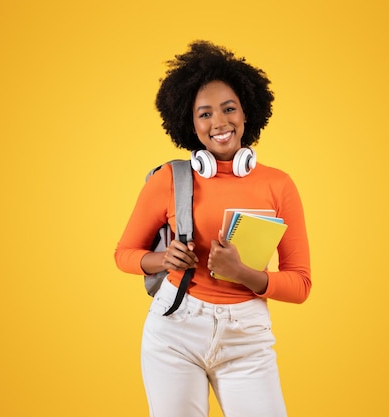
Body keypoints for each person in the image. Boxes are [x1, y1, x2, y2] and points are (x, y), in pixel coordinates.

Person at [114, 40, 311, 417]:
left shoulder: (279, 185)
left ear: (247, 113)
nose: (219, 123)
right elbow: (124, 254)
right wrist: (161, 259)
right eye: (204, 114)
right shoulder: (171, 179)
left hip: (247, 337)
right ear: (190, 124)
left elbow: (300, 284)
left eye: (229, 109)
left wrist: (244, 274)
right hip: (175, 329)